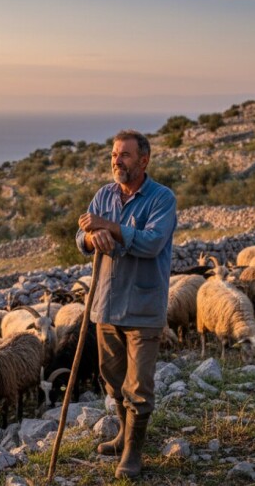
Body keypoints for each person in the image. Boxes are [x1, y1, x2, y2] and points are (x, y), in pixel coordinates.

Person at [75, 129, 177, 479]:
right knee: (113, 378)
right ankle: (121, 434)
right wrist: (92, 236)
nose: (117, 160)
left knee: (139, 387)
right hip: (105, 304)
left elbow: (151, 243)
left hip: (143, 308)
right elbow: (82, 234)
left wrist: (111, 227)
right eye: (114, 155)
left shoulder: (162, 199)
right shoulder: (103, 195)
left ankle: (133, 450)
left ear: (144, 160)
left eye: (125, 155)